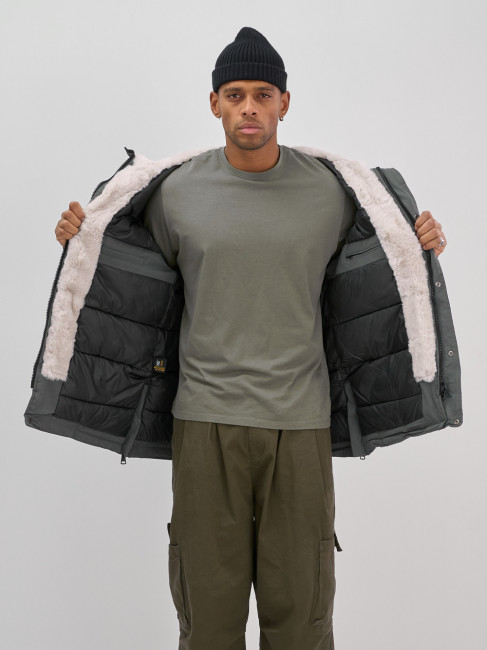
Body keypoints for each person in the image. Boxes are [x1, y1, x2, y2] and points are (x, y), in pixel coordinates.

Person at [50, 27, 449, 650]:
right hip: (204, 422)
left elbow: (384, 252)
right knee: (208, 625)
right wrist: (80, 231)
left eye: (263, 94)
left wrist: (422, 239)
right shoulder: (176, 193)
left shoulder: (332, 192)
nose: (249, 108)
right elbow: (120, 257)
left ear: (285, 102)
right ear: (215, 103)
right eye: (235, 95)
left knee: (303, 625)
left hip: (301, 423)